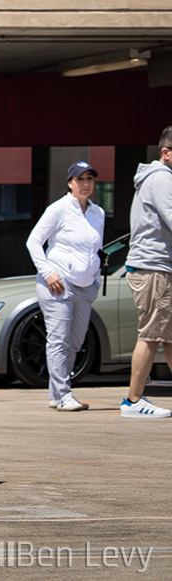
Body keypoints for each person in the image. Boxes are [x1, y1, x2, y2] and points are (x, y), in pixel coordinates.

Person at [26, 161, 104, 411]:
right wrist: (48, 273)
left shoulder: (98, 213)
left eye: (89, 179)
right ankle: (64, 394)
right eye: (79, 179)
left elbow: (96, 250)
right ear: (70, 183)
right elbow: (34, 241)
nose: (85, 184)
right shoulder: (58, 209)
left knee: (76, 342)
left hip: (86, 285)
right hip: (58, 284)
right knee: (58, 340)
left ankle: (56, 394)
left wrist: (97, 277)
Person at [122, 126, 172, 419]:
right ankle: (132, 400)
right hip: (154, 268)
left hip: (158, 267)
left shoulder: (159, 178)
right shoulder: (161, 179)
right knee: (152, 335)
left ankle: (134, 400)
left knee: (167, 337)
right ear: (166, 152)